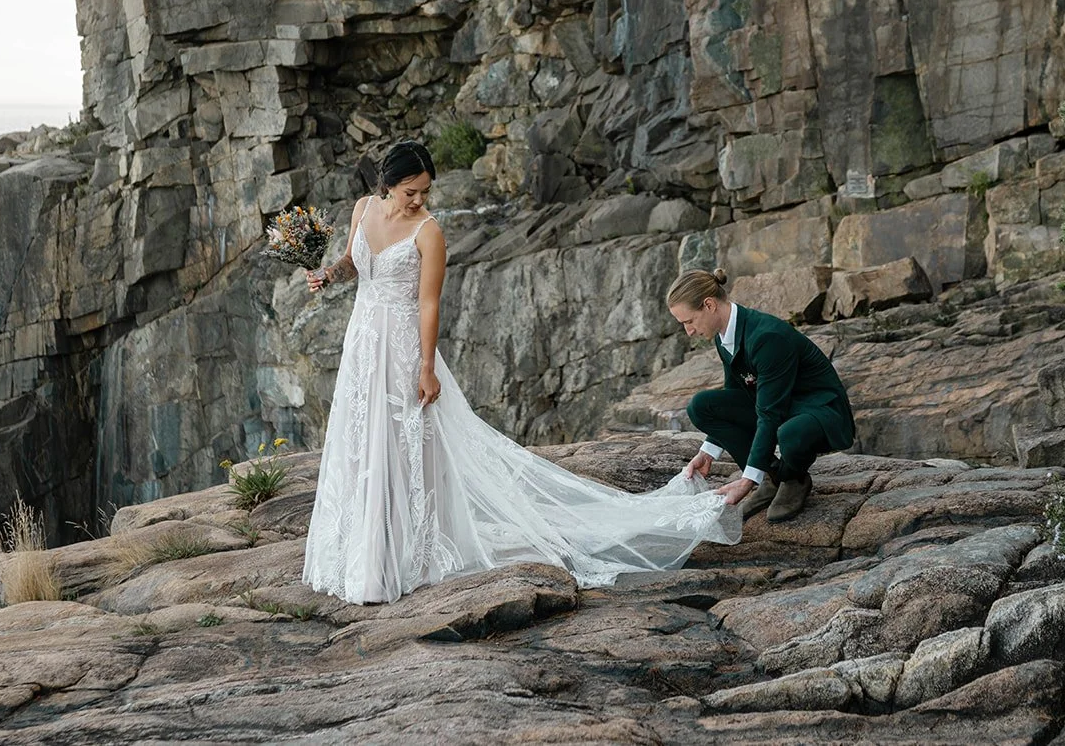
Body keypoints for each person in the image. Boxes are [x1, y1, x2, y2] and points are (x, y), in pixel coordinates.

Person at [299, 140, 741, 605]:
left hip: (404, 350)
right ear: (388, 184)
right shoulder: (363, 209)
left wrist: (427, 367)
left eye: (425, 191)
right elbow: (354, 262)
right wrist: (328, 275)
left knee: (406, 449)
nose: (419, 200)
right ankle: (366, 552)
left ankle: (408, 554)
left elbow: (428, 304)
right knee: (363, 443)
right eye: (412, 191)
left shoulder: (429, 233)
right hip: (363, 345)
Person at [669, 269, 855, 524]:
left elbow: (770, 413)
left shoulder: (767, 337)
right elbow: (735, 394)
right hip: (782, 404)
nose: (688, 331)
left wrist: (746, 480)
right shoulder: (724, 335)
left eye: (688, 321)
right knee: (701, 407)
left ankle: (794, 478)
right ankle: (772, 476)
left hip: (819, 410)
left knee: (789, 433)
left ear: (709, 305)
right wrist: (709, 452)